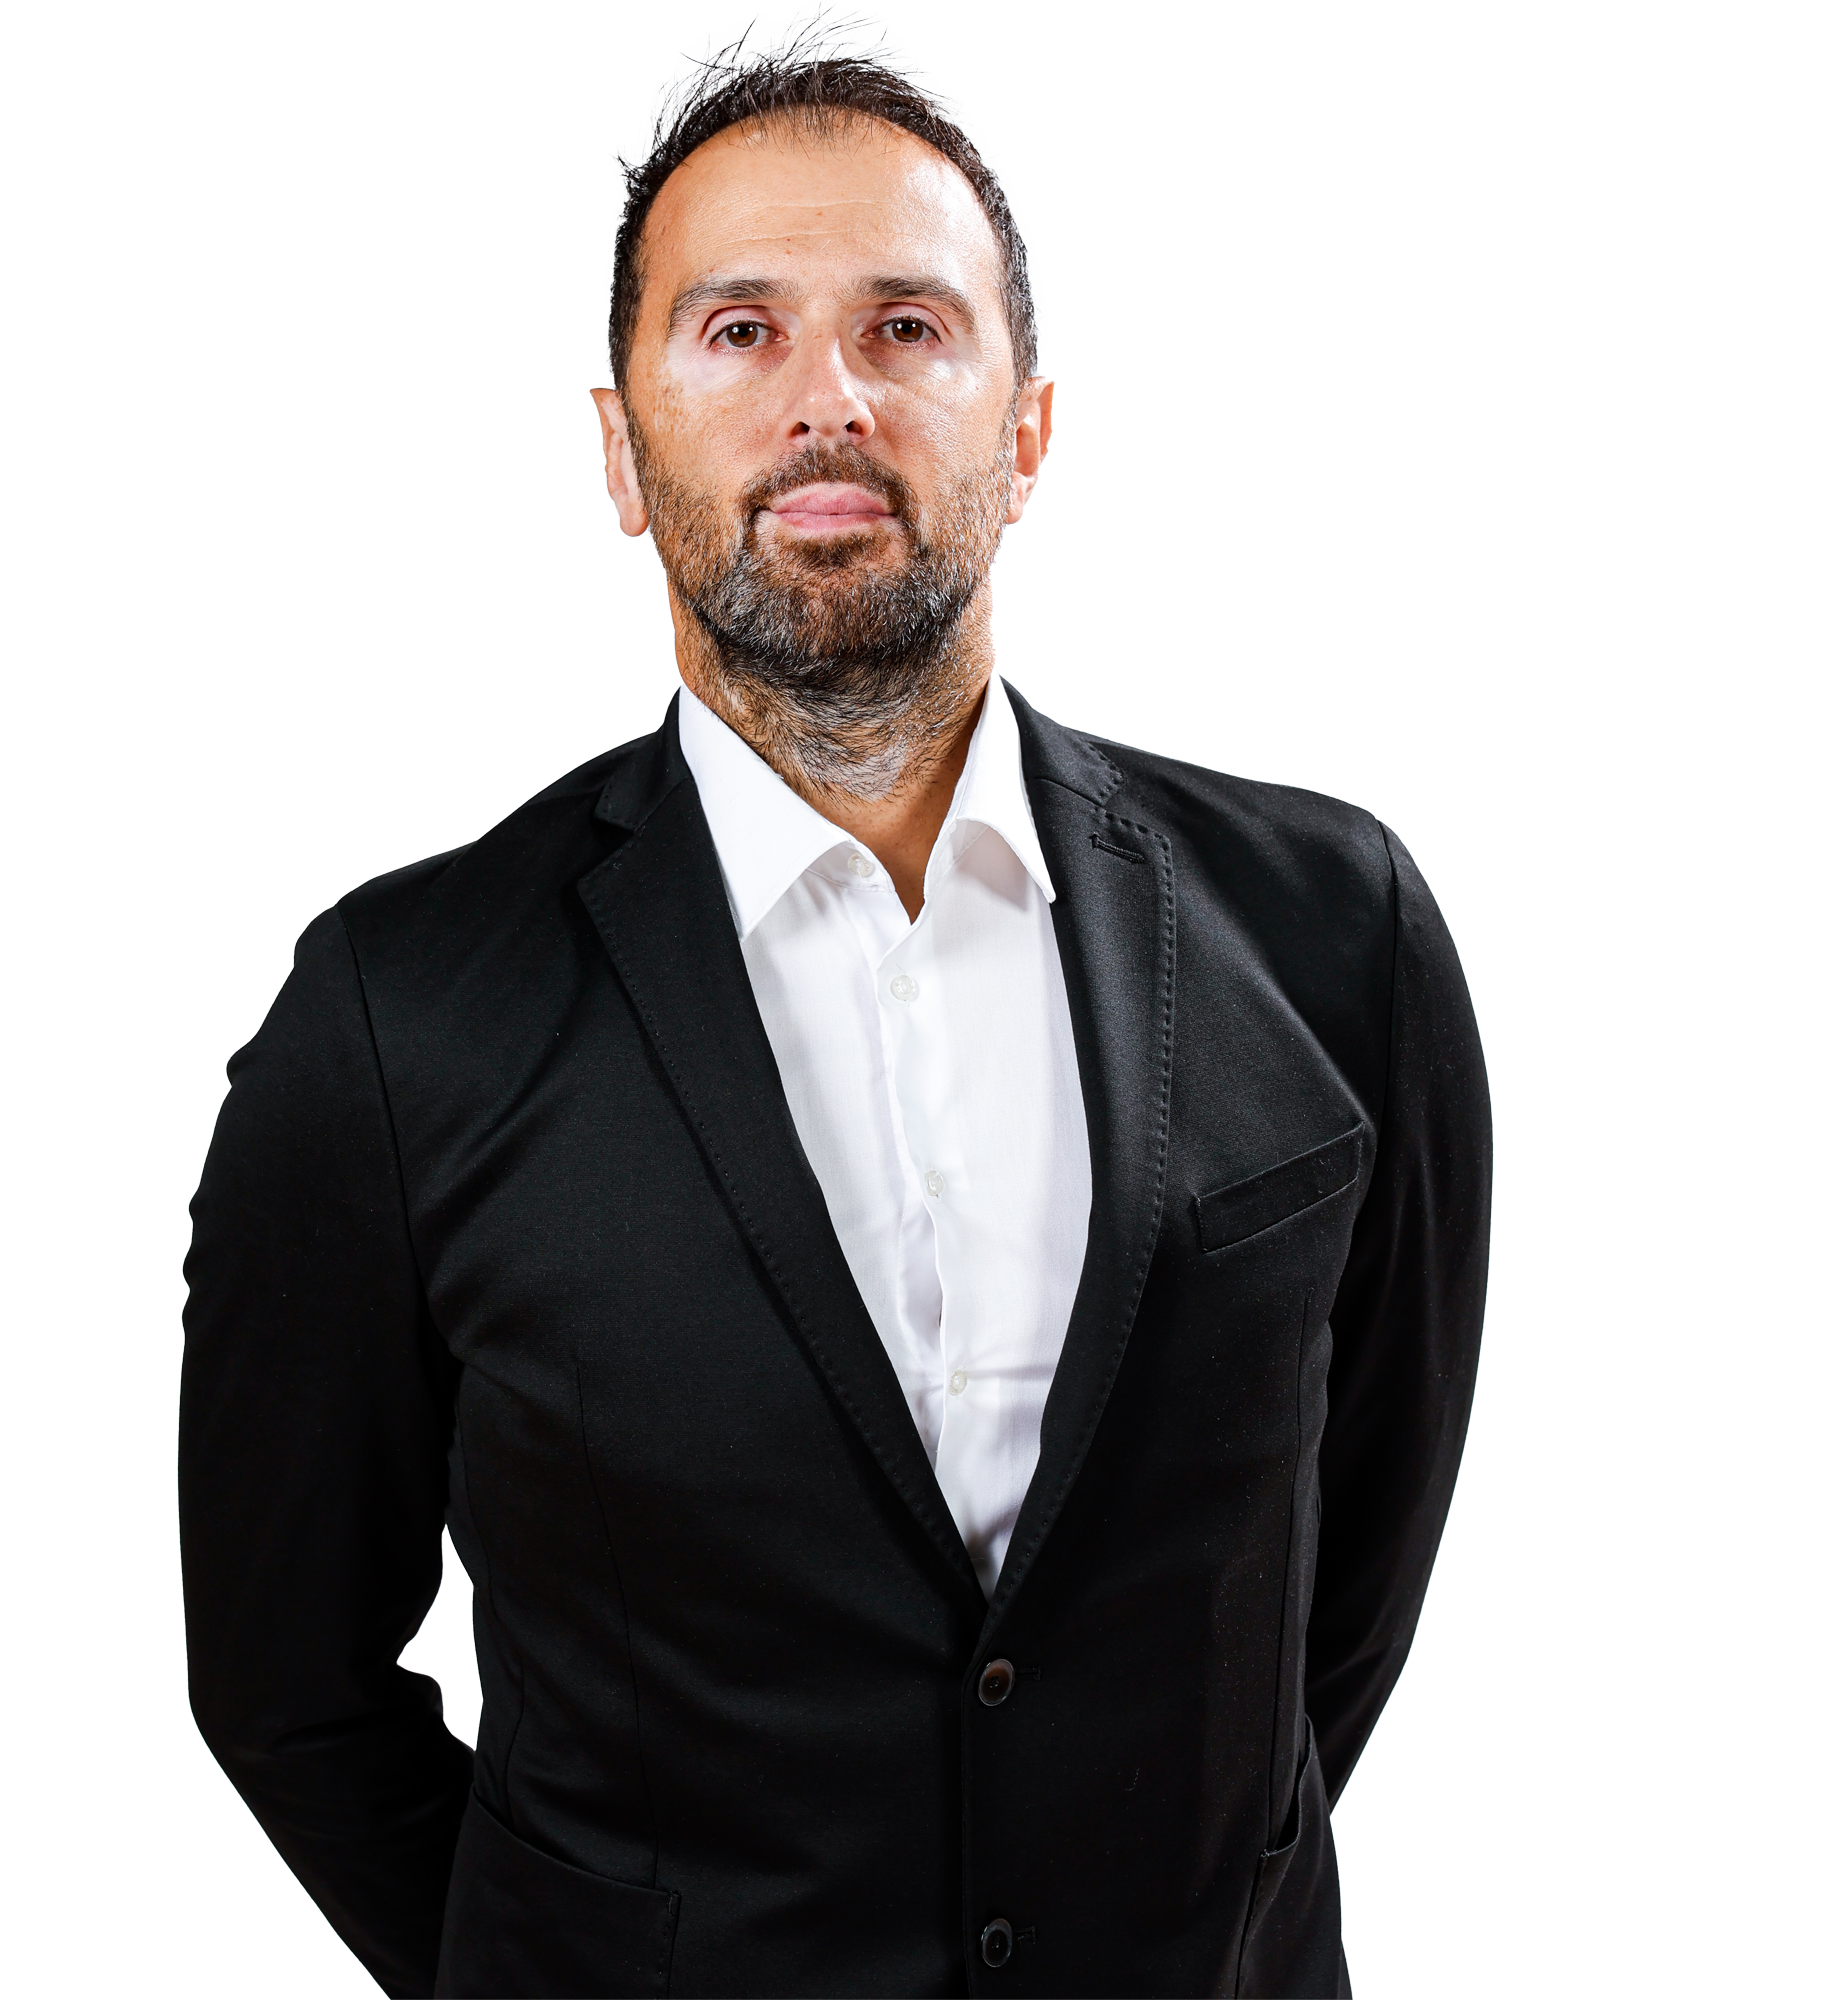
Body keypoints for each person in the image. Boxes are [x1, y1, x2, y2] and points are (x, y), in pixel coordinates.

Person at [180, 25, 1491, 2000]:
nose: (828, 399)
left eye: (906, 327)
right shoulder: (397, 1017)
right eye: (739, 331)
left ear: (1024, 432)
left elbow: (1347, 1575)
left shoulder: (1335, 929)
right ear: (620, 449)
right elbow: (286, 1682)